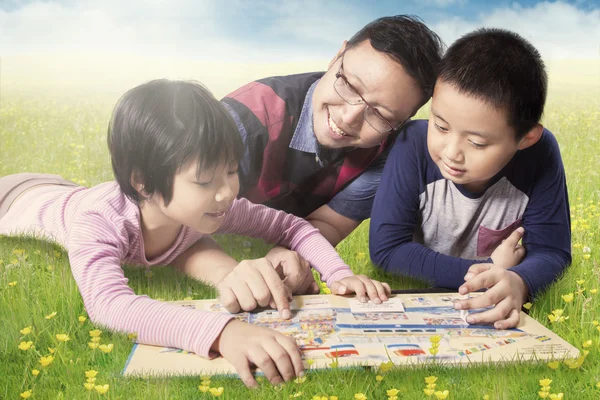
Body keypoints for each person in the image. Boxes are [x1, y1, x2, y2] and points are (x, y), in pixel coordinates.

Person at [0, 79, 390, 387]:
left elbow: (291, 225)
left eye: (232, 171)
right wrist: (221, 332)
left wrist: (338, 274)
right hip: (13, 197)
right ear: (143, 183)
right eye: (204, 180)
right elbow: (109, 305)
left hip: (64, 189)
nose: (226, 191)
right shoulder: (99, 222)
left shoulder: (211, 205)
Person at [369, 28, 571, 329]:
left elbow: (552, 252)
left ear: (526, 138)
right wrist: (490, 269)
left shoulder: (540, 154)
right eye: (440, 126)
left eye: (476, 143)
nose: (451, 153)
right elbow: (388, 249)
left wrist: (519, 282)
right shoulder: (412, 143)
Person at [221, 15, 444, 248]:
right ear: (337, 56)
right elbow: (183, 215)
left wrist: (288, 258)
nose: (349, 117)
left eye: (380, 115)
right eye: (349, 85)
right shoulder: (244, 121)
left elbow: (329, 224)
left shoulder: (389, 152)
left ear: (402, 121)